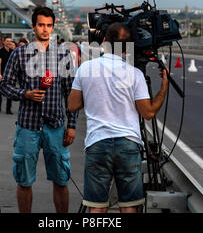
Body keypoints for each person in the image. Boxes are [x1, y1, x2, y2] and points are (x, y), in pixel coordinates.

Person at [67, 23, 169, 213]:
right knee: (129, 207)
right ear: (127, 48)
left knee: (96, 207)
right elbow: (148, 113)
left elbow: (72, 105)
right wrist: (164, 87)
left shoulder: (86, 68)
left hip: (97, 143)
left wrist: (94, 94)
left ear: (104, 42)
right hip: (128, 145)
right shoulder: (135, 74)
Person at [0, 6, 79, 213]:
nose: (45, 29)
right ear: (34, 26)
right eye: (41, 25)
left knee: (61, 179)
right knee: (24, 181)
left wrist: (71, 126)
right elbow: (5, 85)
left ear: (53, 28)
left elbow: (72, 93)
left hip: (55, 126)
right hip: (28, 125)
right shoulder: (19, 54)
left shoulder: (63, 55)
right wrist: (24, 94)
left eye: (49, 26)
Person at [0, 36, 14, 114]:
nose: (9, 42)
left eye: (10, 41)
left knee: (10, 91)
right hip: (2, 73)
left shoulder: (13, 51)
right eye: (7, 41)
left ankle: (8, 109)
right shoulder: (0, 51)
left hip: (10, 75)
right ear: (4, 42)